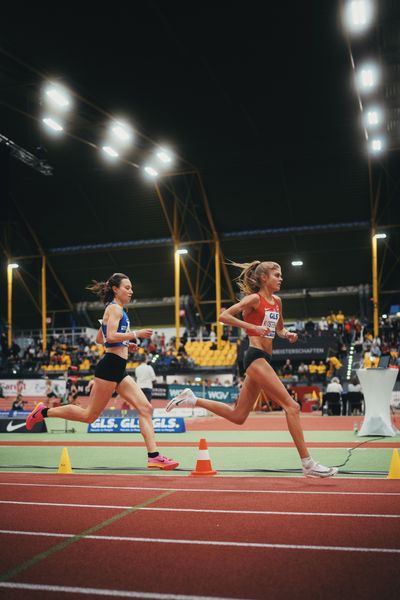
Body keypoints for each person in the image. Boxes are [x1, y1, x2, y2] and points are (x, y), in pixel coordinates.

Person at [167, 260, 337, 478]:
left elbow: (280, 329)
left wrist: (287, 335)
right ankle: (308, 463)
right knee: (292, 406)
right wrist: (252, 327)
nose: (281, 278)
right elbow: (223, 316)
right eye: (277, 275)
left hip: (265, 357)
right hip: (254, 356)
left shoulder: (277, 301)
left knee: (238, 415)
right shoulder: (254, 299)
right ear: (264, 278)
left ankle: (192, 399)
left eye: (281, 274)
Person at [26, 272, 178, 470]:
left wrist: (126, 343)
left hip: (119, 368)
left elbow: (101, 338)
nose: (131, 291)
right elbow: (110, 336)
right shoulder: (114, 309)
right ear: (116, 289)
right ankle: (43, 412)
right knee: (89, 416)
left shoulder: (118, 310)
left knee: (145, 408)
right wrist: (134, 335)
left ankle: (154, 456)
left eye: (131, 288)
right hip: (109, 367)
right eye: (127, 287)